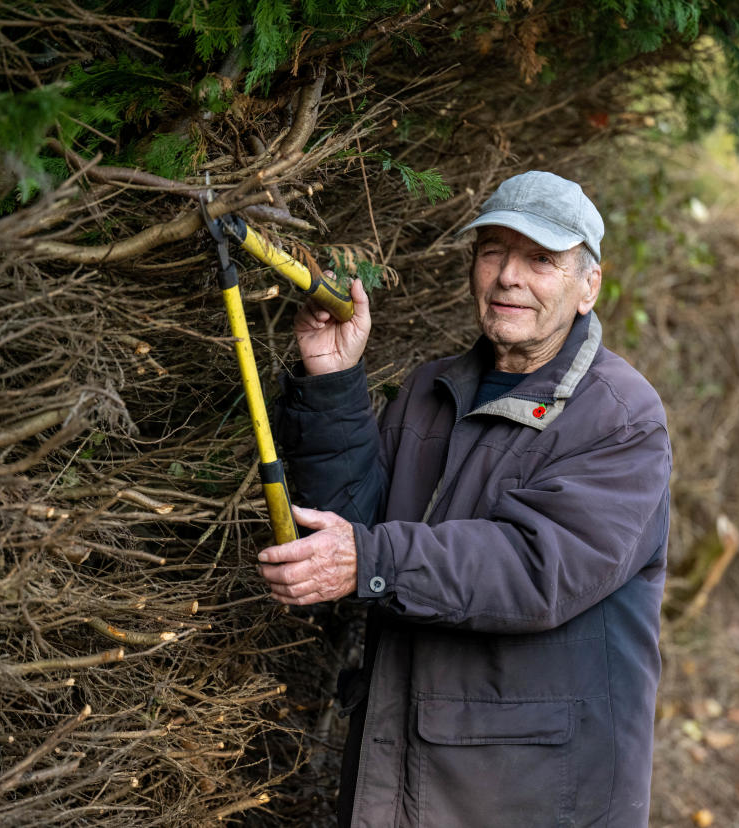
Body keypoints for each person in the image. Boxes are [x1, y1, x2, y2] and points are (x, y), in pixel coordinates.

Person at [260, 171, 671, 827]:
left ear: (588, 285)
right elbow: (352, 528)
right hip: (406, 771)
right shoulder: (433, 389)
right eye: (493, 251)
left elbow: (537, 568)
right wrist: (334, 383)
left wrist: (370, 557)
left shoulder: (621, 420)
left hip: (533, 795)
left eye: (540, 259)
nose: (509, 275)